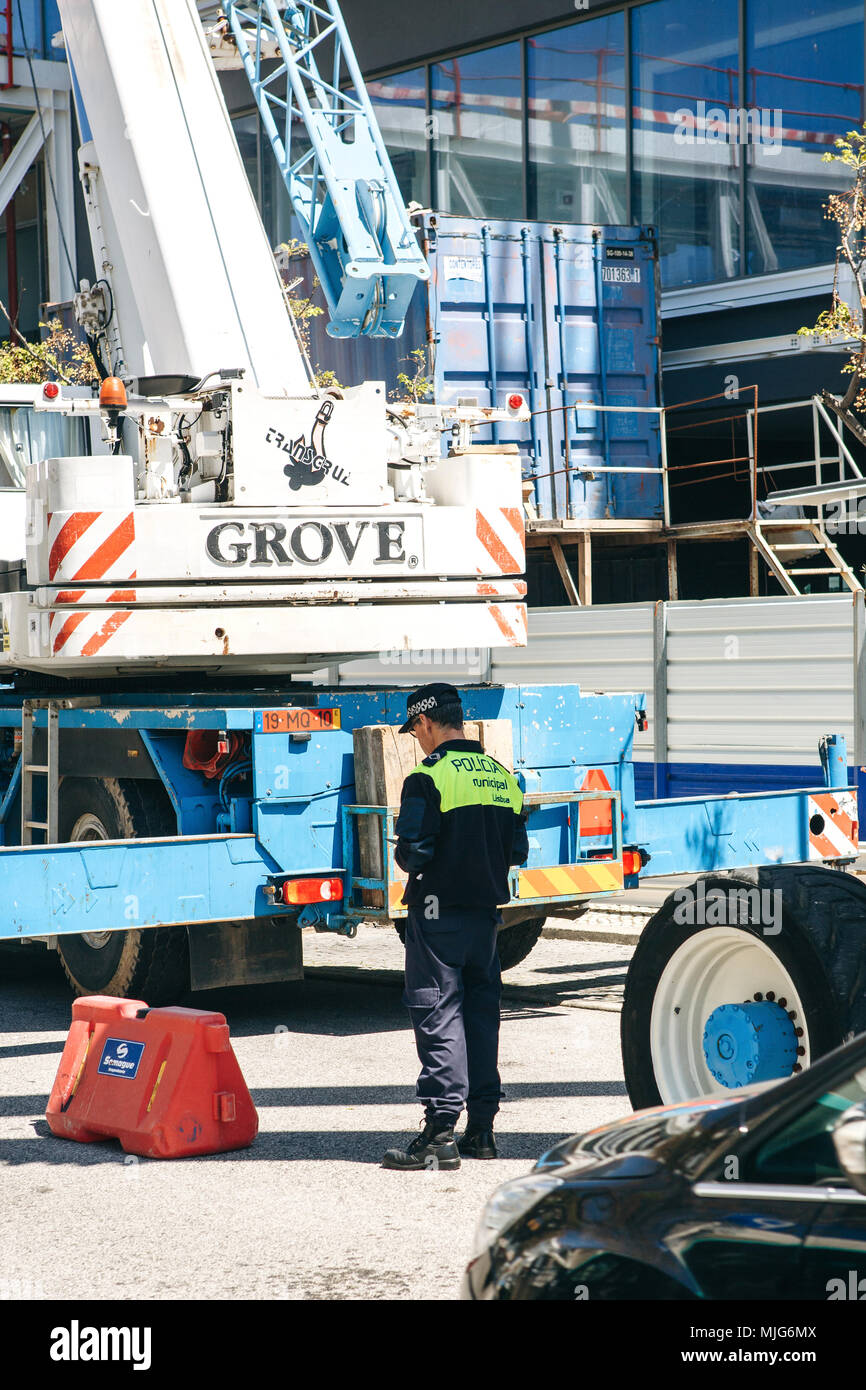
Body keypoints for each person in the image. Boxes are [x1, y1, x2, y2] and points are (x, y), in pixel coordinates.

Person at [382, 683, 529, 1171]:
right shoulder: (503, 777)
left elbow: (414, 853)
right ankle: (482, 1131)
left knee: (438, 1015)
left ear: (426, 723)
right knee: (481, 1019)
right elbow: (518, 853)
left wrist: (406, 852)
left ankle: (440, 1133)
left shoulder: (428, 778)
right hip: (487, 921)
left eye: (415, 731)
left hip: (437, 918)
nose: (416, 741)